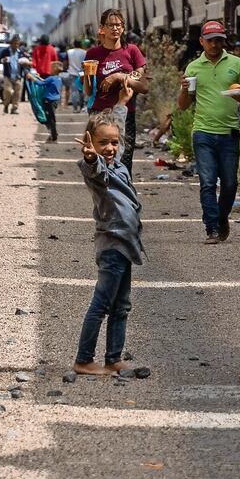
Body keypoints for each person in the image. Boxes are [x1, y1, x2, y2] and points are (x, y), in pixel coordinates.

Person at [73, 93, 143, 377]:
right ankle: (84, 358)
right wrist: (91, 157)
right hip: (112, 245)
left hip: (126, 244)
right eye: (103, 143)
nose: (111, 147)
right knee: (101, 304)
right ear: (91, 142)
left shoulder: (120, 166)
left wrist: (122, 105)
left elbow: (119, 129)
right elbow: (94, 169)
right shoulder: (98, 170)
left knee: (121, 305)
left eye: (114, 143)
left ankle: (113, 357)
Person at [179, 20, 240, 244]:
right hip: (203, 131)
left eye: (219, 40)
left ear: (224, 41)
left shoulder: (237, 63)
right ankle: (212, 228)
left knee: (230, 183)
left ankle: (221, 218)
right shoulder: (193, 68)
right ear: (202, 41)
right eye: (210, 40)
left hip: (229, 132)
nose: (215, 44)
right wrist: (184, 90)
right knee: (208, 182)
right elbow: (183, 105)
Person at [86, 9, 150, 172]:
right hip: (99, 114)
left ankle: (124, 195)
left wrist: (119, 76)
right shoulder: (93, 54)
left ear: (123, 28)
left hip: (126, 113)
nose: (115, 29)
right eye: (110, 25)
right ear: (102, 28)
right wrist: (87, 76)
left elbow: (142, 86)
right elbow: (88, 91)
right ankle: (105, 196)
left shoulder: (132, 52)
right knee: (100, 161)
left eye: (118, 25)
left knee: (124, 160)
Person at [27, 62, 63, 142]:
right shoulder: (58, 78)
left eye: (51, 67)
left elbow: (41, 84)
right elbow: (45, 81)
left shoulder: (51, 78)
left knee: (50, 118)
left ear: (54, 69)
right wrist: (38, 78)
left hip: (49, 101)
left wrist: (32, 78)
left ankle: (54, 135)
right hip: (55, 100)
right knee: (51, 117)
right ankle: (53, 134)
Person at [0, 35, 26, 114]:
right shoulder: (5, 51)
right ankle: (6, 105)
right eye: (14, 43)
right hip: (8, 75)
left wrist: (25, 63)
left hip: (18, 76)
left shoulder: (21, 53)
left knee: (17, 93)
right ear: (11, 43)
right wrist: (3, 60)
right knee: (8, 91)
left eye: (17, 44)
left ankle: (14, 108)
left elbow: (25, 62)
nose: (16, 45)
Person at [64, 38, 88, 111]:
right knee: (81, 90)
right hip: (81, 72)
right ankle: (81, 106)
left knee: (74, 90)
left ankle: (75, 108)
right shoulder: (84, 52)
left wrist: (65, 68)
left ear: (74, 44)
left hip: (72, 72)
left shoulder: (69, 52)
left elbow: (65, 62)